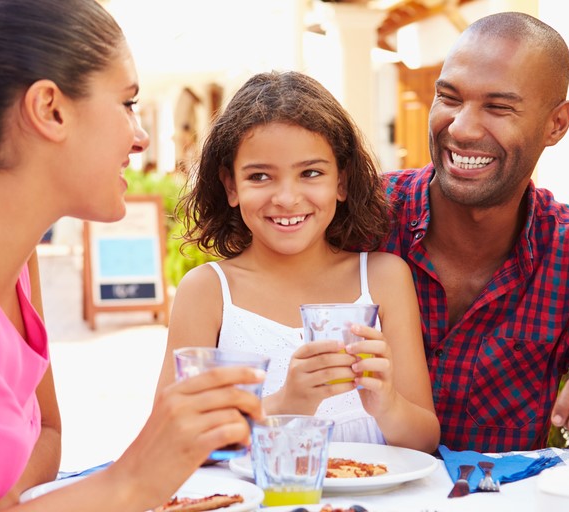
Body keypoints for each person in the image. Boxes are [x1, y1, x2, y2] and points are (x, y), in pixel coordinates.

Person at [0, 1, 264, 510]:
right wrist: (132, 479)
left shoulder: (8, 253)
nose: (140, 136)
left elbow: (47, 435)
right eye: (127, 104)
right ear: (50, 110)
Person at [381, 11, 569, 462]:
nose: (461, 127)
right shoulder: (362, 218)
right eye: (449, 98)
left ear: (556, 124)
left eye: (498, 107)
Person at [155, 71, 440, 453]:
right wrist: (286, 403)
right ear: (231, 187)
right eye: (260, 176)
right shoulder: (209, 292)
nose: (287, 198)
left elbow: (424, 440)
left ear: (342, 180)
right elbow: (166, 442)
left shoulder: (383, 278)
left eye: (310, 173)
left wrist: (386, 403)